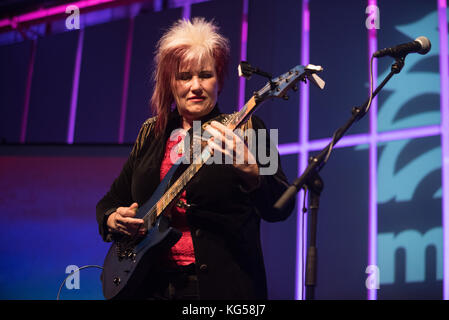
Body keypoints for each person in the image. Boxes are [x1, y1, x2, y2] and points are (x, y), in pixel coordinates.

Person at [96, 17, 295, 300]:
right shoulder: (152, 133)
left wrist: (254, 174)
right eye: (185, 77)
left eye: (205, 75)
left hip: (220, 290)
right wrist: (112, 218)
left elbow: (280, 207)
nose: (196, 86)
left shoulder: (249, 128)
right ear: (170, 83)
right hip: (148, 286)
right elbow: (111, 200)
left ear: (220, 80)